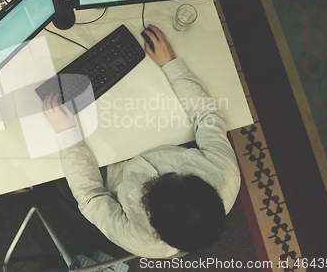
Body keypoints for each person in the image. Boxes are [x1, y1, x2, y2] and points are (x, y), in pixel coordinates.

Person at [42, 25, 240, 259]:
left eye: (148, 192)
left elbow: (91, 197)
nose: (151, 181)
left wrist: (67, 134)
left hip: (110, 163)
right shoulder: (224, 174)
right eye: (174, 176)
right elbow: (207, 116)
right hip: (156, 132)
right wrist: (172, 65)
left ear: (153, 222)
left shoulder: (138, 239)